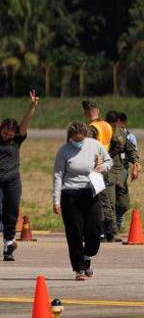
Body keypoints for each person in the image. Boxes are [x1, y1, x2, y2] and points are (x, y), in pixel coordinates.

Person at [0, 90, 39, 261]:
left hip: (13, 181)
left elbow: (25, 122)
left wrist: (32, 105)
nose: (7, 136)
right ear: (0, 130)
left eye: (10, 134)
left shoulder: (17, 140)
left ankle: (8, 244)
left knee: (11, 213)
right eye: (5, 133)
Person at [54, 121, 112, 280]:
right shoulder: (64, 150)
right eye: (76, 140)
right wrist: (56, 200)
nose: (79, 143)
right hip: (70, 194)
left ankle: (87, 255)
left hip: (91, 192)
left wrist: (102, 167)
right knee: (75, 233)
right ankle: (79, 269)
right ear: (71, 137)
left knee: (94, 232)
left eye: (82, 140)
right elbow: (58, 176)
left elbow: (109, 161)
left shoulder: (94, 145)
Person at [83, 99, 116, 240]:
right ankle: (110, 231)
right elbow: (115, 144)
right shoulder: (107, 126)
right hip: (106, 166)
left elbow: (88, 147)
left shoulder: (91, 128)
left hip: (95, 167)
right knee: (105, 199)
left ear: (86, 113)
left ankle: (100, 231)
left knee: (95, 200)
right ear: (98, 111)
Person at [107, 111, 141, 234]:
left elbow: (130, 149)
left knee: (124, 204)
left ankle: (115, 225)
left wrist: (136, 162)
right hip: (108, 172)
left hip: (120, 172)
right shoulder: (103, 134)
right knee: (109, 203)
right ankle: (112, 230)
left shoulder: (122, 134)